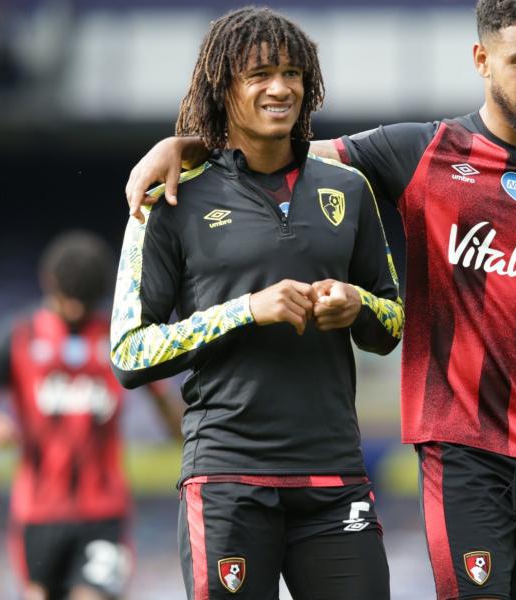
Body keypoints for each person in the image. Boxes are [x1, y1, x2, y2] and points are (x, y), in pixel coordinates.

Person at [124, 1, 516, 598]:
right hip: (460, 442)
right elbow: (282, 152)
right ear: (482, 59)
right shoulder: (421, 152)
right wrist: (185, 144)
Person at [109, 7, 403, 600]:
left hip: (335, 476)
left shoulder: (348, 187)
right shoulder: (168, 198)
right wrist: (247, 310)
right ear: (223, 87)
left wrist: (358, 306)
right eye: (260, 73)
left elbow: (391, 320)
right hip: (226, 480)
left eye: (293, 72)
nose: (281, 87)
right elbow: (128, 352)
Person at [0, 230, 184, 600]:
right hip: (37, 513)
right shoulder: (17, 336)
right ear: (50, 285)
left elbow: (164, 399)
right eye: (69, 302)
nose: (76, 312)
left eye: (85, 303)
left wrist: (186, 433)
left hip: (103, 511)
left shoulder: (118, 337)